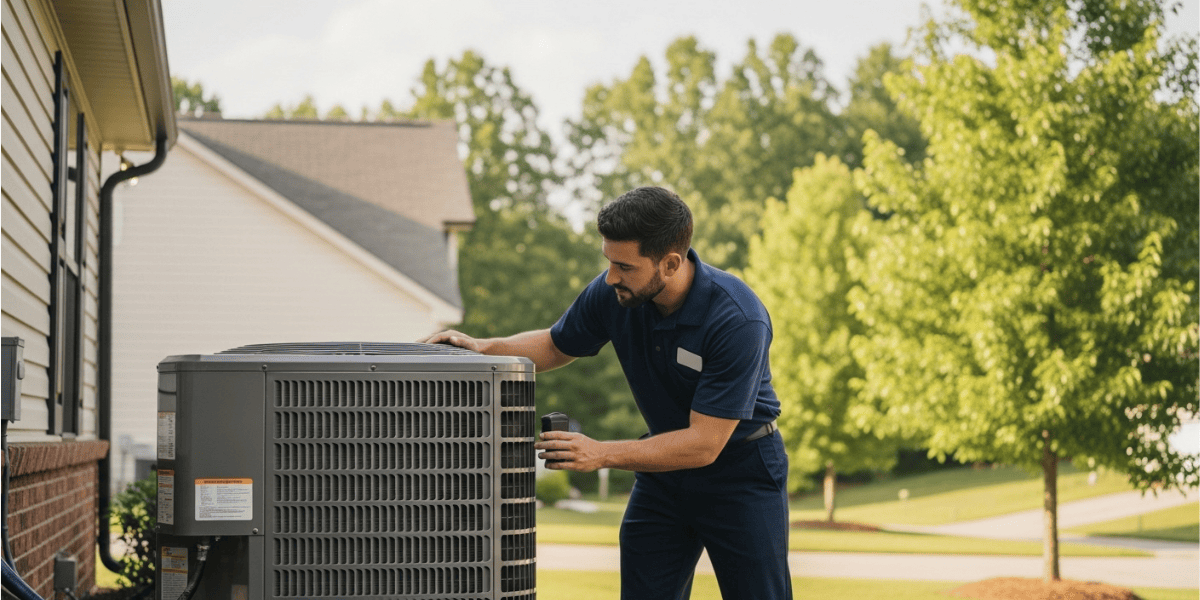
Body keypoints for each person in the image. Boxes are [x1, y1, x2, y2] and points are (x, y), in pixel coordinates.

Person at [420, 186, 790, 599]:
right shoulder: (614, 294)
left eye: (624, 266)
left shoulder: (737, 319)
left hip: (741, 472)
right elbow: (557, 344)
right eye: (609, 262)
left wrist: (600, 453)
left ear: (670, 264)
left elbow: (704, 444)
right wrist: (486, 347)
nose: (611, 276)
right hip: (663, 476)